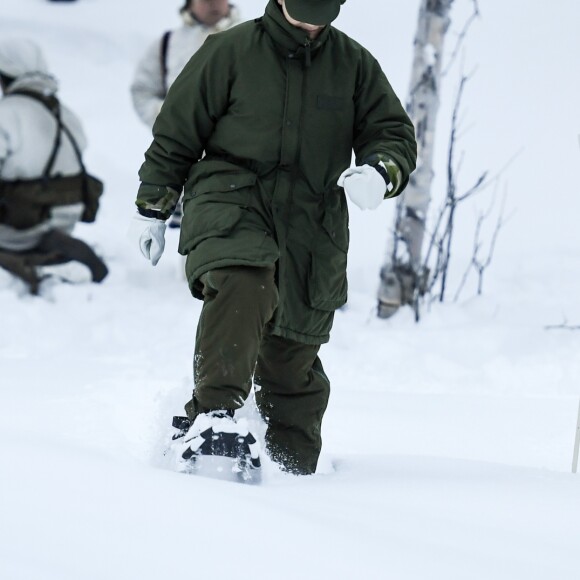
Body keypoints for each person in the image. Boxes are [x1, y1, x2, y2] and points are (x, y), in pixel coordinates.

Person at [131, 0, 417, 476]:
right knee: (246, 284)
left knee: (290, 361)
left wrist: (381, 170)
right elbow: (177, 131)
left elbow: (392, 133)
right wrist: (153, 209)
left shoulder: (354, 65)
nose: (309, 21)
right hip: (230, 198)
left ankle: (291, 478)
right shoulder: (229, 50)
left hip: (312, 225)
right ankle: (215, 419)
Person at [0, 38, 108, 295]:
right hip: (64, 218)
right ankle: (53, 250)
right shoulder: (65, 113)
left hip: (20, 224)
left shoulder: (7, 112)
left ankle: (25, 262)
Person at [131, 0, 242, 228]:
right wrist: (165, 116)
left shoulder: (250, 39)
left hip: (240, 171)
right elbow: (142, 90)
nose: (213, 4)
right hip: (183, 169)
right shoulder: (167, 43)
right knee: (189, 250)